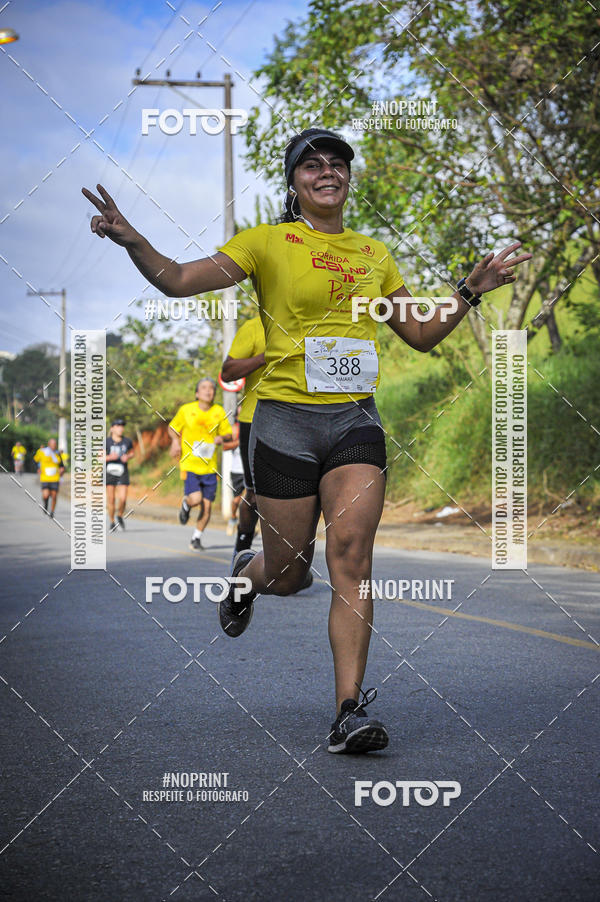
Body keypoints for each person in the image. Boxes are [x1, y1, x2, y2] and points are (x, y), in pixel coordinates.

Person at [82, 128, 531, 753]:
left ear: (348, 178)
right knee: (290, 575)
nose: (327, 171)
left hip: (354, 422)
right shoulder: (266, 243)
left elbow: (421, 335)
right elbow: (180, 278)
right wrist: (134, 242)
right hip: (284, 423)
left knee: (351, 558)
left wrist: (468, 291)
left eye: (338, 163)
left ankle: (348, 710)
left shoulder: (374, 253)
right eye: (312, 164)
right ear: (294, 183)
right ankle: (248, 575)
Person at [168, 379, 233, 550]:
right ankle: (186, 504)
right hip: (190, 465)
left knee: (207, 507)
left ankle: (196, 538)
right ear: (197, 393)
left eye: (211, 388)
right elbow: (173, 428)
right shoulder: (186, 410)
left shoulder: (218, 411)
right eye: (204, 388)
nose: (208, 391)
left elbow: (229, 435)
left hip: (210, 467)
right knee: (195, 499)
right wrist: (175, 442)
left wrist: (221, 438)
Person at [221, 317, 265, 557]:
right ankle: (241, 551)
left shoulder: (313, 321)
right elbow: (227, 372)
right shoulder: (254, 327)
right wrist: (263, 358)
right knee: (256, 495)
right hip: (255, 419)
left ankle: (292, 562)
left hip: (302, 417)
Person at [105, 417, 134, 532]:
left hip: (123, 471)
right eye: (118, 426)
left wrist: (128, 456)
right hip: (110, 472)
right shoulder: (106, 442)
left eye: (122, 426)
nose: (121, 428)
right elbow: (99, 456)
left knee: (123, 498)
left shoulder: (127, 441)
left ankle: (120, 515)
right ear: (112, 429)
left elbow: (132, 452)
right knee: (111, 499)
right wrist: (109, 457)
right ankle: (112, 521)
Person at [225, 409, 247, 537]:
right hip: (237, 469)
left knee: (253, 499)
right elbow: (224, 446)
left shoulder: (254, 426)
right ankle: (233, 518)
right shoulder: (234, 429)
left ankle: (248, 525)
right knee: (236, 500)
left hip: (250, 469)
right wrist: (239, 442)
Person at [34, 438, 65, 518]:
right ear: (49, 444)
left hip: (55, 478)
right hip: (45, 478)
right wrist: (38, 468)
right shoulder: (42, 452)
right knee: (45, 495)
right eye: (52, 444)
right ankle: (46, 504)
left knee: (54, 495)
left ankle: (52, 511)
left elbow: (61, 466)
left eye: (55, 444)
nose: (54, 446)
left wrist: (62, 470)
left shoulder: (57, 453)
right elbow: (35, 460)